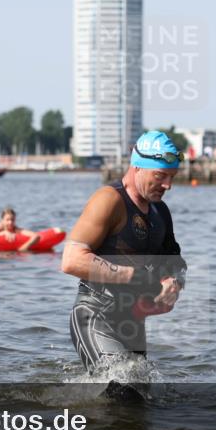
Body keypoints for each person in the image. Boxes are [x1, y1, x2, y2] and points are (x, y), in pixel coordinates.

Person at [61, 131, 187, 374]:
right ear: (138, 167)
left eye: (172, 177)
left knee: (139, 402)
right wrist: (140, 278)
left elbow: (176, 262)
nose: (168, 185)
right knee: (120, 390)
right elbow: (71, 260)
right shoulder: (109, 200)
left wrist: (175, 282)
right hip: (96, 315)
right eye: (161, 176)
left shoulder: (160, 212)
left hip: (133, 323)